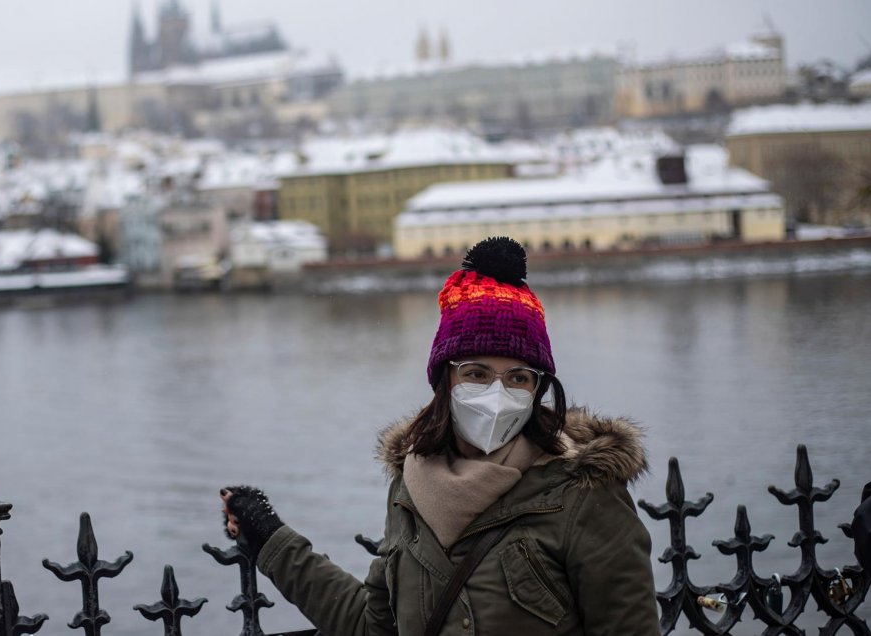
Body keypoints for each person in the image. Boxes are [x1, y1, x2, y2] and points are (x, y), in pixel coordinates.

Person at [221, 236, 660, 635]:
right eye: (476, 373)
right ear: (444, 382)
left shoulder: (584, 493)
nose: (496, 395)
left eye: (518, 379)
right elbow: (372, 626)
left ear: (538, 389)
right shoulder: (410, 488)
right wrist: (271, 539)